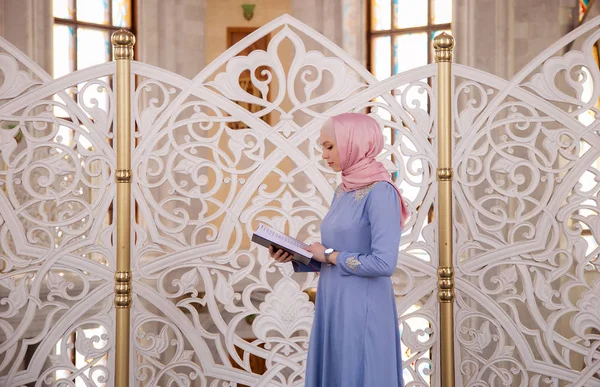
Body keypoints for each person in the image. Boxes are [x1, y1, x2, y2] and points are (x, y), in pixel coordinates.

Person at [269, 113, 409, 387]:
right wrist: (298, 257)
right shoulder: (343, 190)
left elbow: (383, 264)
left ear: (354, 142)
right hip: (333, 303)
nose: (324, 154)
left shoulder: (381, 192)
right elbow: (335, 255)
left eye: (329, 146)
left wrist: (329, 255)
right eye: (323, 147)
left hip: (362, 307)